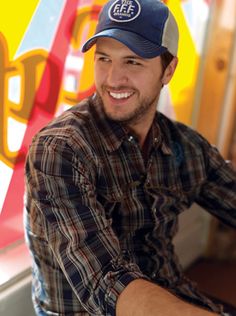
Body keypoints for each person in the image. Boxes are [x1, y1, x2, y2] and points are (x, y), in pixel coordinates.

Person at [24, 0, 236, 315]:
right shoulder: (60, 149)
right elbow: (105, 282)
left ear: (169, 70)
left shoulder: (183, 145)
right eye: (104, 58)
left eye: (133, 62)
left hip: (169, 295)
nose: (113, 78)